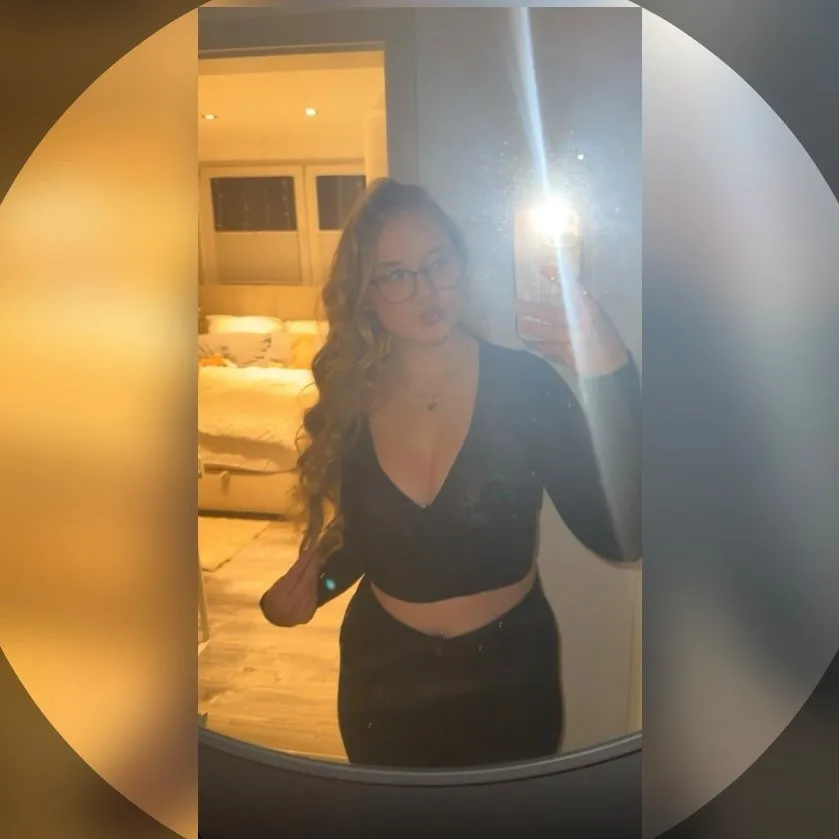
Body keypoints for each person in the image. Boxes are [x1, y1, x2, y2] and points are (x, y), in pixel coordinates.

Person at [260, 178, 641, 768]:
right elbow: (368, 539)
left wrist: (610, 368)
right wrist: (311, 593)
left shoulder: (526, 387)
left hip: (509, 680)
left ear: (461, 263)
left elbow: (623, 537)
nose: (426, 289)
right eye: (395, 274)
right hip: (382, 680)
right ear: (365, 295)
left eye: (439, 262)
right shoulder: (354, 398)